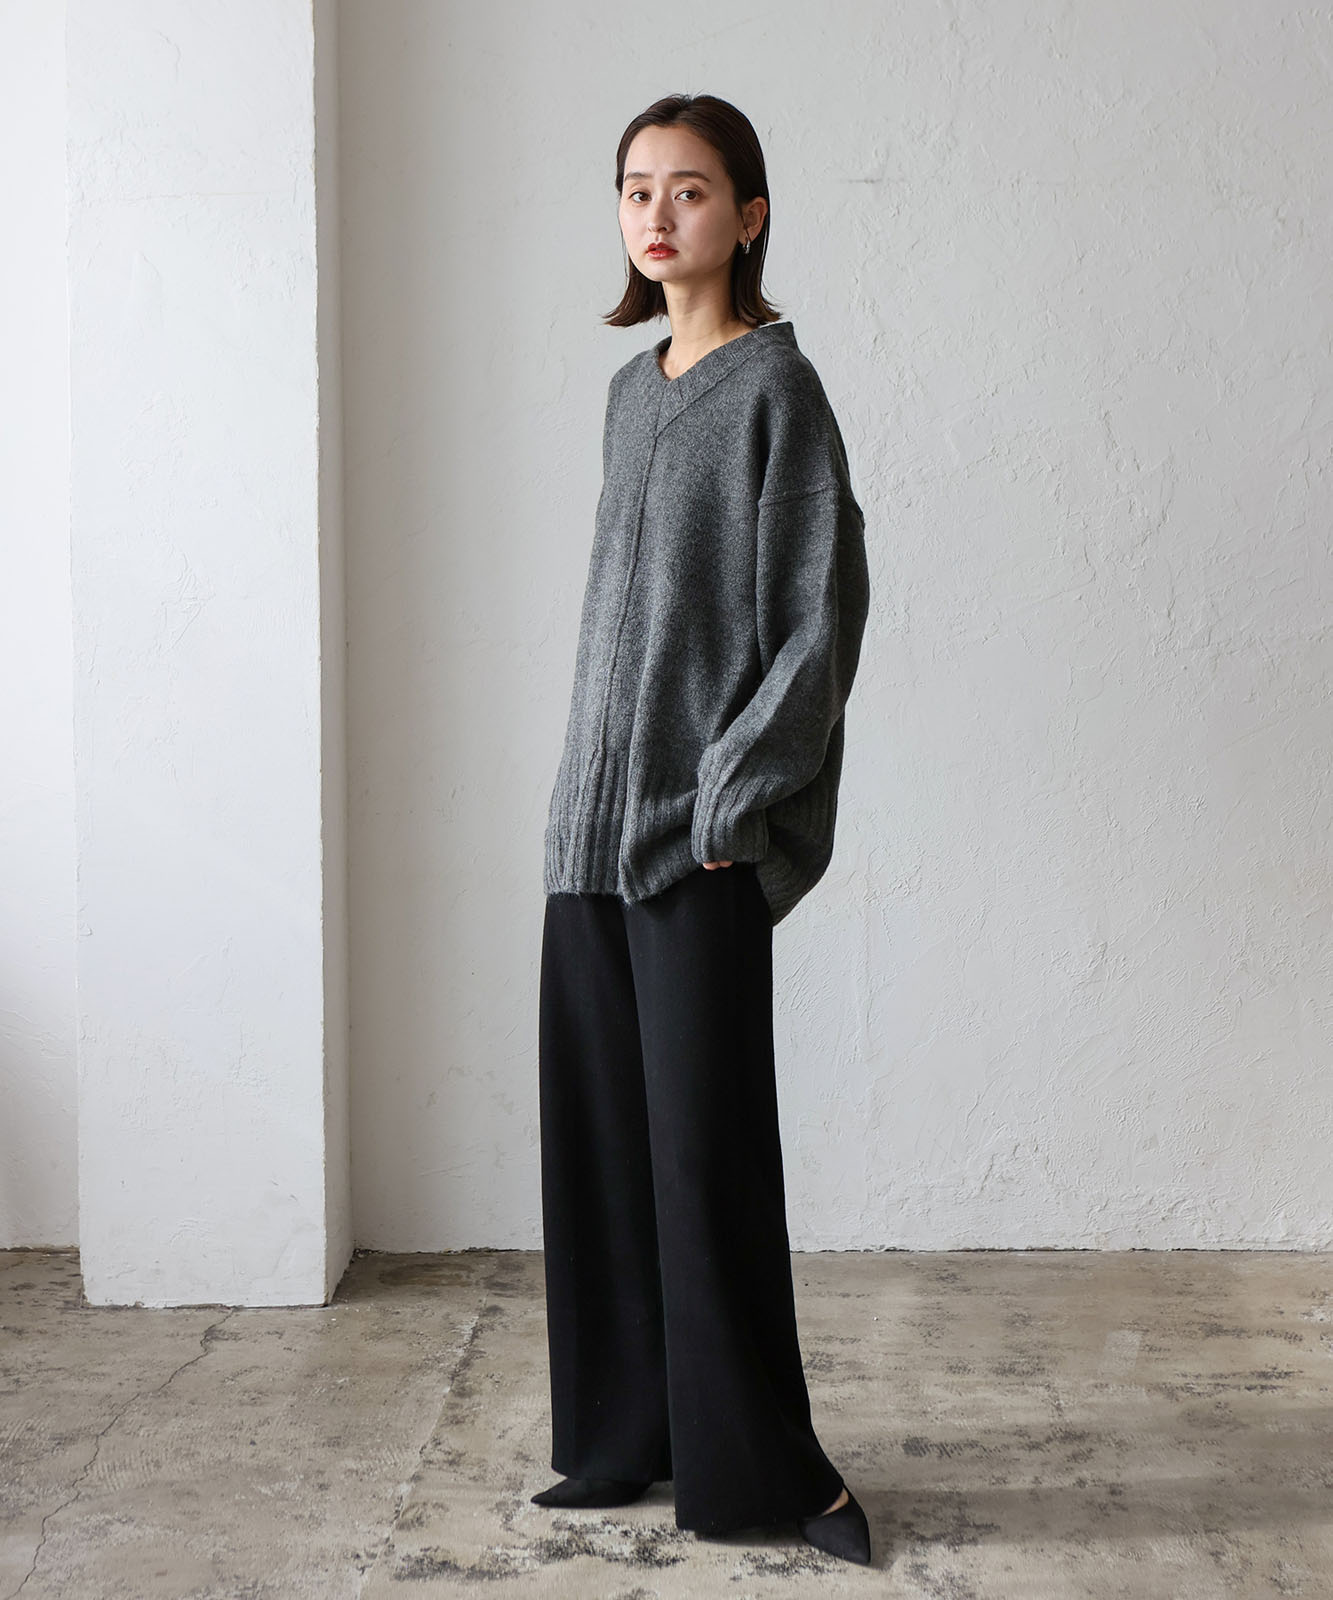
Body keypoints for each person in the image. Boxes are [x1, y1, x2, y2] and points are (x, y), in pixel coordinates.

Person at [531, 92, 872, 1567]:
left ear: (749, 214)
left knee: (707, 1164)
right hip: (590, 838)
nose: (657, 214)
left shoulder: (776, 391)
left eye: (689, 188)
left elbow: (817, 617)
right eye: (635, 189)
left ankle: (774, 1478)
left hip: (695, 837)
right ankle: (626, 1441)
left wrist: (735, 793)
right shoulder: (630, 392)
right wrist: (577, 796)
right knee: (605, 1158)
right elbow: (618, 623)